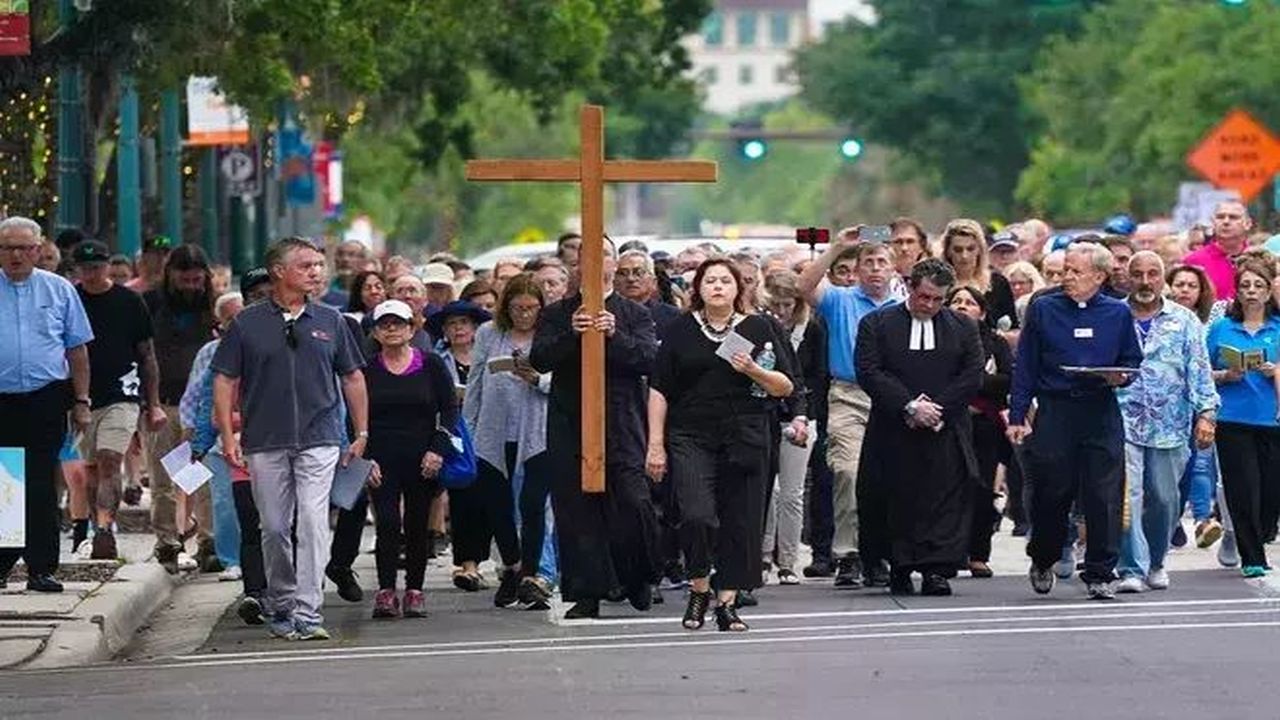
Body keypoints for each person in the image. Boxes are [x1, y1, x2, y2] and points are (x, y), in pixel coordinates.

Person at [212, 237, 369, 641]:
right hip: (265, 439)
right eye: (306, 265)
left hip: (320, 437)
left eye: (319, 265)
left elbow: (352, 376)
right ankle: (280, 601)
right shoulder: (247, 323)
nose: (316, 272)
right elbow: (225, 378)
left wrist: (361, 431)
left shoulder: (332, 321)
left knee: (314, 523)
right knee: (276, 526)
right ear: (279, 271)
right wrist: (229, 436)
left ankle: (308, 610)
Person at [647, 259, 796, 630]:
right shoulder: (681, 329)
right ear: (697, 288)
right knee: (697, 515)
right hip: (691, 434)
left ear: (737, 288)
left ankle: (727, 604)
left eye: (724, 281)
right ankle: (699, 588)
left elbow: (785, 386)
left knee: (740, 521)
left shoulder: (759, 327)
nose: (717, 286)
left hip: (745, 434)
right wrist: (655, 444)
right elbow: (659, 389)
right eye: (709, 280)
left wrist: (753, 370)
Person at [530, 240, 661, 620]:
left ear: (614, 263)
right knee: (575, 508)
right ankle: (586, 592)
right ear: (576, 263)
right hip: (571, 421)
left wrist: (614, 335)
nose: (594, 260)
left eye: (603, 253)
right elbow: (539, 359)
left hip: (621, 421)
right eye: (586, 252)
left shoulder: (634, 313)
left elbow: (648, 359)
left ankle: (637, 577)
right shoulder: (557, 313)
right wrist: (572, 333)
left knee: (633, 502)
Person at [1007, 242, 1143, 600]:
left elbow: (1132, 360)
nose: (1067, 277)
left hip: (1100, 409)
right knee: (1052, 491)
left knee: (1103, 494)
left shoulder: (1117, 313)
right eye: (1065, 269)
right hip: (1056, 411)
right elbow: (1027, 365)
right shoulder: (1044, 308)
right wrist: (1019, 413)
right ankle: (1043, 556)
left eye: (1075, 271)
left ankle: (1099, 571)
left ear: (1099, 276)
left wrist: (1121, 377)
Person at [855, 260, 984, 596]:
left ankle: (936, 570)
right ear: (910, 287)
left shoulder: (963, 327)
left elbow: (972, 374)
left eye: (937, 299)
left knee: (944, 498)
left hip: (945, 428)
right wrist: (909, 406)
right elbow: (869, 371)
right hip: (893, 427)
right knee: (892, 497)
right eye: (923, 296)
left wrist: (937, 409)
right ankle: (899, 566)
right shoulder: (877, 323)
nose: (928, 305)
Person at [1112, 252, 1219, 593]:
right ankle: (1130, 567)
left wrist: (1206, 414)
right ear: (1128, 278)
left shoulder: (1184, 320)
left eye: (1153, 274)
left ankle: (1156, 560)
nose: (1145, 281)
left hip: (1170, 423)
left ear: (1163, 280)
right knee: (1128, 495)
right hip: (1121, 420)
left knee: (1163, 497)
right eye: (1138, 274)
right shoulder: (1113, 315)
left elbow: (1199, 371)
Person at [798, 237, 900, 587]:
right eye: (868, 262)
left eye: (882, 262)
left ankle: (881, 552)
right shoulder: (840, 300)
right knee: (848, 471)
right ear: (856, 269)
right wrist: (837, 248)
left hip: (891, 396)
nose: (875, 268)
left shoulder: (903, 304)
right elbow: (804, 285)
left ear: (893, 268)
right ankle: (848, 553)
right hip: (848, 393)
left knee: (889, 478)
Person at [0, 217, 93, 593]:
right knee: (7, 479)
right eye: (7, 248)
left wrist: (82, 400)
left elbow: (77, 349)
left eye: (24, 247)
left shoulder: (59, 290)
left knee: (40, 481)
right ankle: (4, 561)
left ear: (39, 250)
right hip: (2, 399)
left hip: (46, 395)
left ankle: (41, 568)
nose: (16, 255)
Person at [461, 275, 556, 607]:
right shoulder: (489, 333)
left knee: (532, 503)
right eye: (517, 308)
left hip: (538, 428)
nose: (524, 315)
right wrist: (469, 428)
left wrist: (537, 379)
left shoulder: (550, 334)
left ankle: (531, 574)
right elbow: (475, 380)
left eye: (531, 308)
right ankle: (513, 565)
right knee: (497, 505)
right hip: (494, 427)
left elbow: (563, 381)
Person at [185, 269, 273, 624]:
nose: (263, 301)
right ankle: (254, 592)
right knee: (249, 521)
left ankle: (289, 590)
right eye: (256, 295)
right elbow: (211, 394)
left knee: (284, 527)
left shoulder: (301, 331)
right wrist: (202, 441)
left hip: (290, 448)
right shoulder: (231, 344)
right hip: (240, 449)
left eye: (271, 293)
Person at [362, 299, 457, 619]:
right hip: (381, 457)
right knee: (388, 523)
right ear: (375, 332)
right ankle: (386, 590)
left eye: (398, 324)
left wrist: (438, 449)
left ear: (411, 328)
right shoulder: (367, 369)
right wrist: (365, 459)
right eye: (384, 324)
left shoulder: (429, 363)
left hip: (422, 456)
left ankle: (415, 590)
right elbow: (355, 417)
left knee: (417, 524)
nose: (391, 329)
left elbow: (449, 409)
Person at [72, 240, 166, 560]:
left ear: (108, 265)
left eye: (97, 267)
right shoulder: (70, 299)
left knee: (110, 458)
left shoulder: (129, 301)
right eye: (85, 268)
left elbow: (148, 355)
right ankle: (90, 525)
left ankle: (104, 527)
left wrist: (152, 404)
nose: (91, 274)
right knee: (91, 468)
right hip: (79, 396)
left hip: (122, 393)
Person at [143, 244, 218, 574]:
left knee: (201, 477)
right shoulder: (150, 305)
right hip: (162, 404)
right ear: (170, 276)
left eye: (196, 280)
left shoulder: (213, 308)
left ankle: (208, 541)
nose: (191, 287)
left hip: (202, 408)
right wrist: (149, 402)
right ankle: (168, 541)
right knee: (162, 480)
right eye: (184, 280)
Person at [1205, 259, 1280, 578]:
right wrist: (1225, 374)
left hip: (1272, 418)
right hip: (1234, 418)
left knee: (1271, 491)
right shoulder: (1222, 327)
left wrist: (1275, 370)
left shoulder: (1277, 327)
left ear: (1268, 292)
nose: (1251, 292)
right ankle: (1252, 556)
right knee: (1242, 487)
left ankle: (1262, 533)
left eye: (1258, 286)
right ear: (1236, 291)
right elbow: (1201, 371)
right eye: (1246, 286)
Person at [762, 272, 825, 585]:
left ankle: (787, 560)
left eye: (788, 304)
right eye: (777, 304)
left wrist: (803, 412)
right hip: (767, 416)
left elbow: (816, 375)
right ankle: (762, 556)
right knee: (766, 491)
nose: (783, 310)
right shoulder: (760, 327)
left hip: (801, 415)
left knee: (791, 493)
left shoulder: (811, 330)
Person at [944, 285, 1012, 578]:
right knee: (947, 489)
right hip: (946, 423)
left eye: (969, 302)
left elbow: (1006, 381)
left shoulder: (996, 343)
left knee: (983, 488)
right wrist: (978, 381)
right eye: (956, 301)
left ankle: (978, 553)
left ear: (982, 312)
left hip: (985, 426)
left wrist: (973, 381)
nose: (962, 306)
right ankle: (948, 551)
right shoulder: (938, 341)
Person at [941, 219, 1018, 332]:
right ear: (948, 251)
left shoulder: (997, 283)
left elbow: (1013, 327)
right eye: (958, 250)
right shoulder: (938, 283)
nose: (964, 256)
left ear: (979, 250)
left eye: (970, 249)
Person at [1185, 200, 1253, 300]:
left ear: (1248, 224)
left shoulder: (1258, 259)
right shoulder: (1193, 261)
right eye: (1220, 217)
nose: (1226, 222)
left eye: (1233, 217)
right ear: (1213, 222)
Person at [615, 249, 681, 340]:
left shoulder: (673, 316)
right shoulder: (606, 313)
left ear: (653, 281)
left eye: (639, 273)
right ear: (614, 280)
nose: (631, 279)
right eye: (623, 273)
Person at [429, 300, 490, 390]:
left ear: (475, 327)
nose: (458, 327)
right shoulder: (437, 360)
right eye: (452, 323)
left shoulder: (489, 356)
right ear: (444, 330)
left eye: (464, 322)